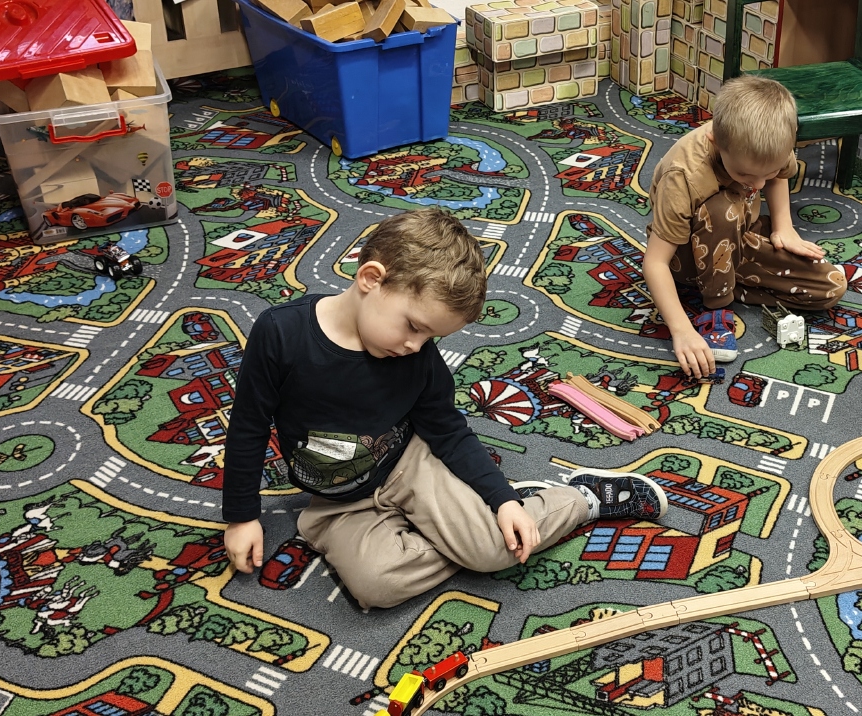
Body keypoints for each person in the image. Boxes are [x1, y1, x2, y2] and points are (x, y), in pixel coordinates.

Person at [221, 209, 668, 609]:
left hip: (411, 464)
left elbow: (447, 429)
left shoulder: (417, 356)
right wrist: (241, 518)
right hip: (337, 501)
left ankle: (580, 499)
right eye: (413, 326)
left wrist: (499, 498)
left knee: (494, 550)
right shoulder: (280, 333)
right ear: (371, 278)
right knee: (376, 586)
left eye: (430, 337)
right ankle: (472, 528)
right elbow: (248, 426)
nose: (416, 346)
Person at [643, 74, 846, 378]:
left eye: (768, 172)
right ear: (715, 140)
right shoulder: (683, 174)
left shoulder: (771, 144)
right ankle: (716, 306)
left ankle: (725, 281)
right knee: (722, 210)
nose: (759, 184)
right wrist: (681, 330)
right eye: (746, 175)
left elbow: (779, 176)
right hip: (685, 257)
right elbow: (655, 262)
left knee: (831, 287)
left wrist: (783, 226)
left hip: (741, 235)